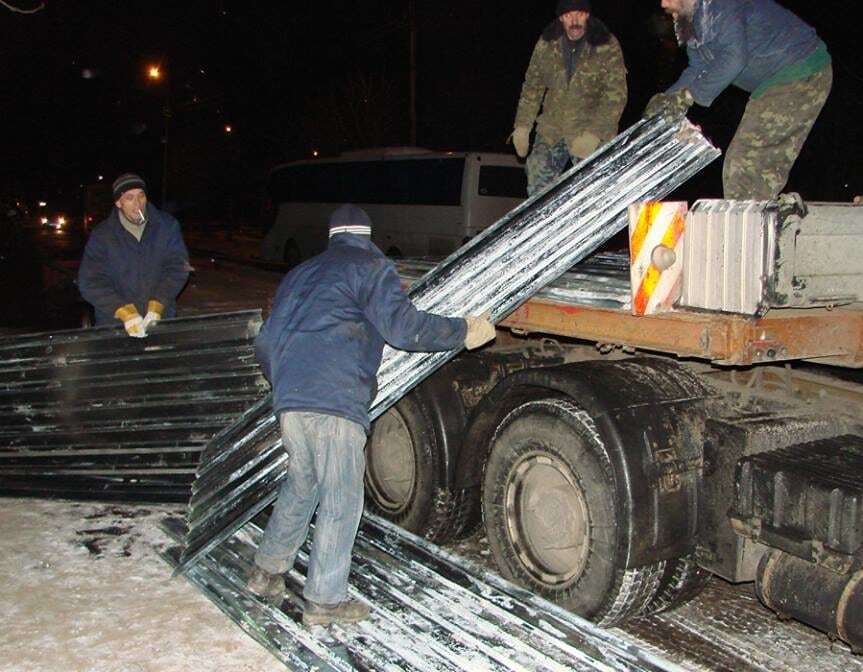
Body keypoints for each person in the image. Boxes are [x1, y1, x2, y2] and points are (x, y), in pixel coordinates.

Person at [247, 204, 496, 627]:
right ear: (366, 235)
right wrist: (463, 331)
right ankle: (324, 601)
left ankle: (266, 572)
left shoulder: (300, 274)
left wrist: (289, 383)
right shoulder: (370, 266)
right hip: (335, 400)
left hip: (290, 399)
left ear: (332, 236)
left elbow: (267, 341)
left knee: (302, 485)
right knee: (341, 500)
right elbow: (403, 328)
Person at [645, 0, 832, 200]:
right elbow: (698, 68)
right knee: (747, 164)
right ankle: (760, 216)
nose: (664, 3)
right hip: (777, 83)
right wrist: (668, 100)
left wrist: (688, 97)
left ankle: (751, 223)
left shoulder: (719, 6)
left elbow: (734, 58)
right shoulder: (696, 23)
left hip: (800, 71)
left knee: (746, 163)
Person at [511, 0, 628, 196]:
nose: (574, 20)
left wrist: (595, 133)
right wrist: (522, 126)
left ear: (587, 15)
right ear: (560, 19)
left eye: (579, 14)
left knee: (594, 189)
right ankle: (545, 224)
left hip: (590, 128)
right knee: (536, 180)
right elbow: (532, 86)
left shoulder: (606, 44)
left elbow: (616, 95)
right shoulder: (547, 43)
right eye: (568, 15)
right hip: (553, 127)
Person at [78, 173, 190, 336]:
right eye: (129, 198)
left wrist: (158, 305)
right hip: (115, 327)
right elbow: (90, 281)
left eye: (141, 196)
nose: (137, 204)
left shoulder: (166, 227)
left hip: (161, 321)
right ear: (118, 202)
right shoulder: (102, 236)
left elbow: (178, 268)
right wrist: (124, 312)